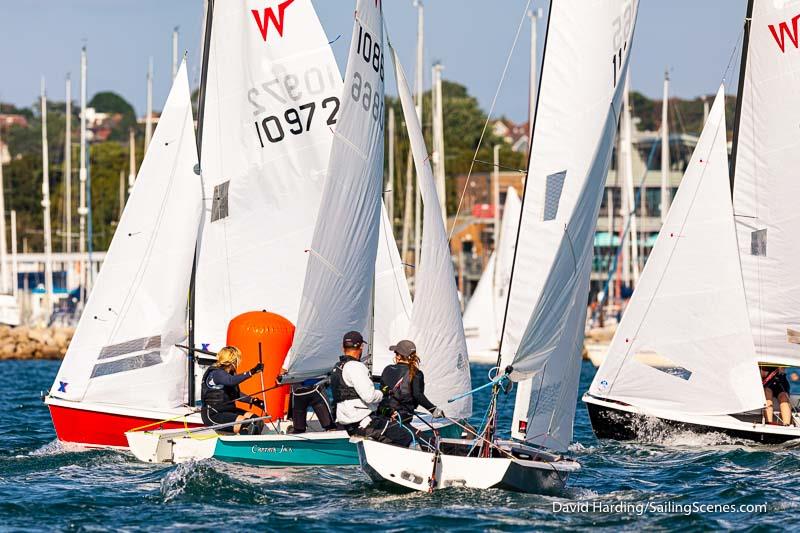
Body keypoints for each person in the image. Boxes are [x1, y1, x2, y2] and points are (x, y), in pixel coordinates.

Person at [329, 331, 414, 447]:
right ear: (361, 347)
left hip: (348, 422)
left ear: (343, 347)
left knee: (389, 436)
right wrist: (382, 392)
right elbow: (369, 397)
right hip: (362, 421)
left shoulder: (338, 367)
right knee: (405, 436)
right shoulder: (355, 366)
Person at [201, 346, 265, 435]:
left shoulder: (229, 375)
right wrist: (252, 372)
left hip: (229, 411)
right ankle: (245, 445)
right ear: (233, 360)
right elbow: (230, 381)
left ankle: (254, 443)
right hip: (214, 414)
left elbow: (236, 394)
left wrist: (253, 400)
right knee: (248, 424)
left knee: (257, 421)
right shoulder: (216, 373)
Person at [378, 339, 444, 426]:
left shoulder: (387, 369)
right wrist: (433, 410)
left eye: (396, 353)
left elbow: (383, 392)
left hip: (383, 414)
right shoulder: (416, 373)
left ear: (399, 356)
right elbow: (418, 395)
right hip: (402, 417)